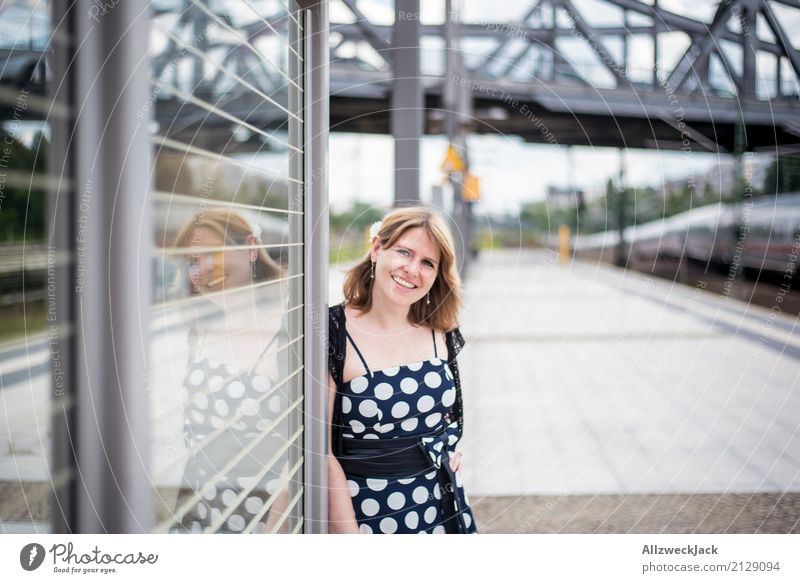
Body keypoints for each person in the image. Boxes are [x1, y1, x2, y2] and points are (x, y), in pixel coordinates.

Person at [327, 206, 478, 534]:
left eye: (427, 262)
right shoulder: (332, 331)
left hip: (442, 508)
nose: (412, 269)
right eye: (404, 252)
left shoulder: (442, 330)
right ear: (377, 248)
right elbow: (320, 454)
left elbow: (446, 415)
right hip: (366, 513)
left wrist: (448, 447)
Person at [171, 208, 291, 533]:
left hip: (260, 519)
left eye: (215, 252)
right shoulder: (202, 325)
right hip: (196, 513)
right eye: (193, 261)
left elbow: (304, 452)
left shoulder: (289, 330)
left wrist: (274, 534)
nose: (204, 267)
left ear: (251, 248)